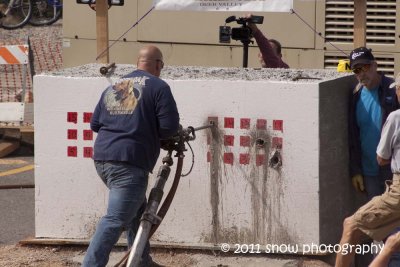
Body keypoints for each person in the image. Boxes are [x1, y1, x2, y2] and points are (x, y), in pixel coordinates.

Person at [82, 45, 180, 267]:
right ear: (158, 65)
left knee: (137, 211)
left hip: (103, 159)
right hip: (129, 162)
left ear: (138, 63)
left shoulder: (116, 86)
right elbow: (169, 127)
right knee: (115, 220)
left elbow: (95, 124)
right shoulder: (158, 87)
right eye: (161, 66)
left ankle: (142, 261)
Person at [335, 73, 400, 267]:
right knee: (392, 241)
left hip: (396, 190)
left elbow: (381, 158)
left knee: (351, 226)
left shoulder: (396, 117)